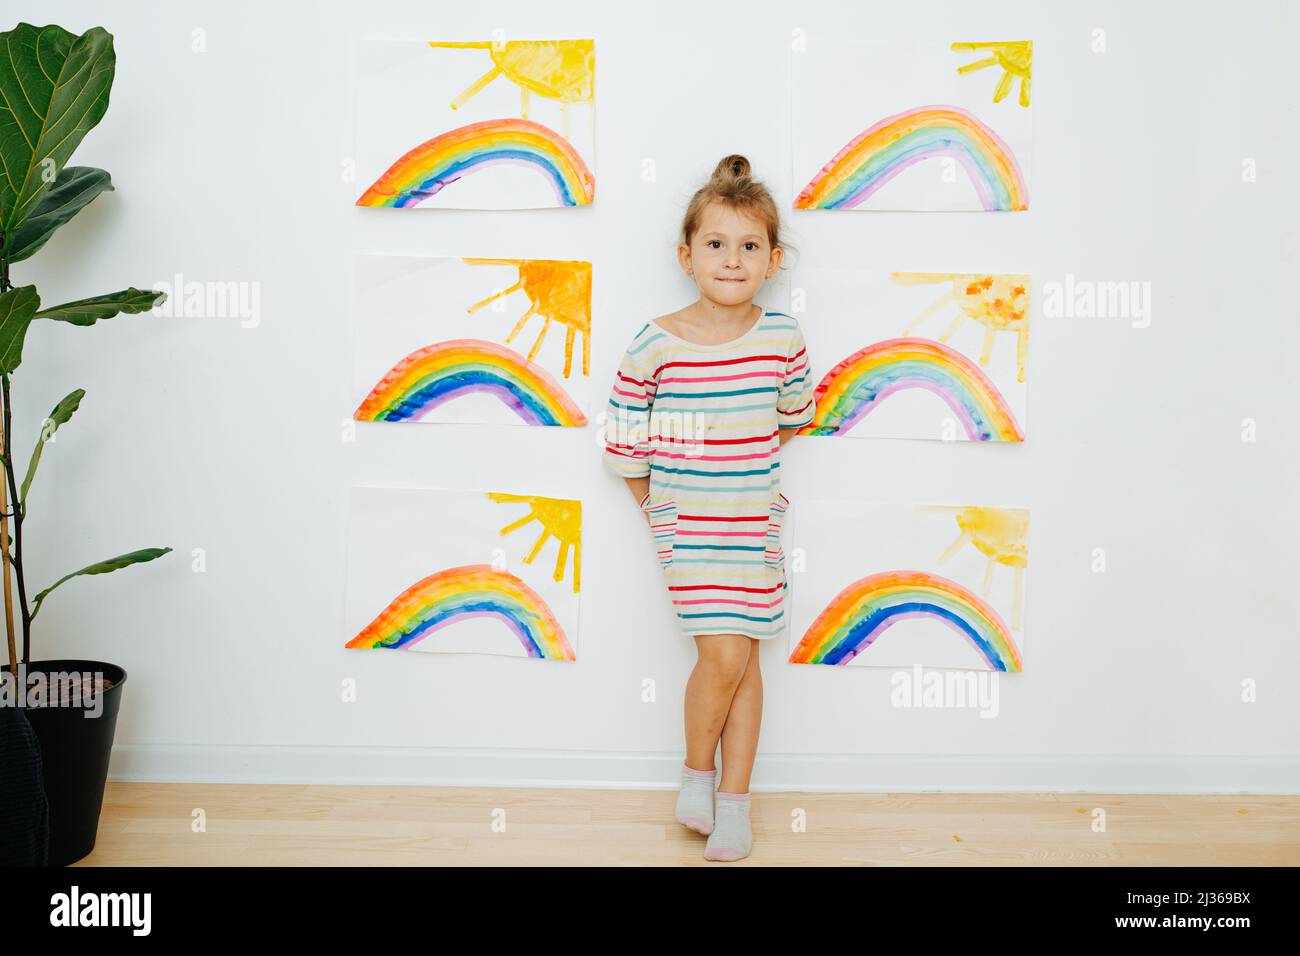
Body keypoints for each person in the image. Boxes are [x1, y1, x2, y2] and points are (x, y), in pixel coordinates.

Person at [602, 154, 815, 861]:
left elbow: (789, 419)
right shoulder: (656, 340)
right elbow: (625, 438)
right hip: (688, 527)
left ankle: (732, 801)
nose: (733, 260)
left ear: (774, 259)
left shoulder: (782, 337)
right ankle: (699, 773)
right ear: (686, 254)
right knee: (723, 653)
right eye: (717, 245)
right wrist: (656, 509)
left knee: (744, 659)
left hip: (752, 523)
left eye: (750, 246)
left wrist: (739, 467)